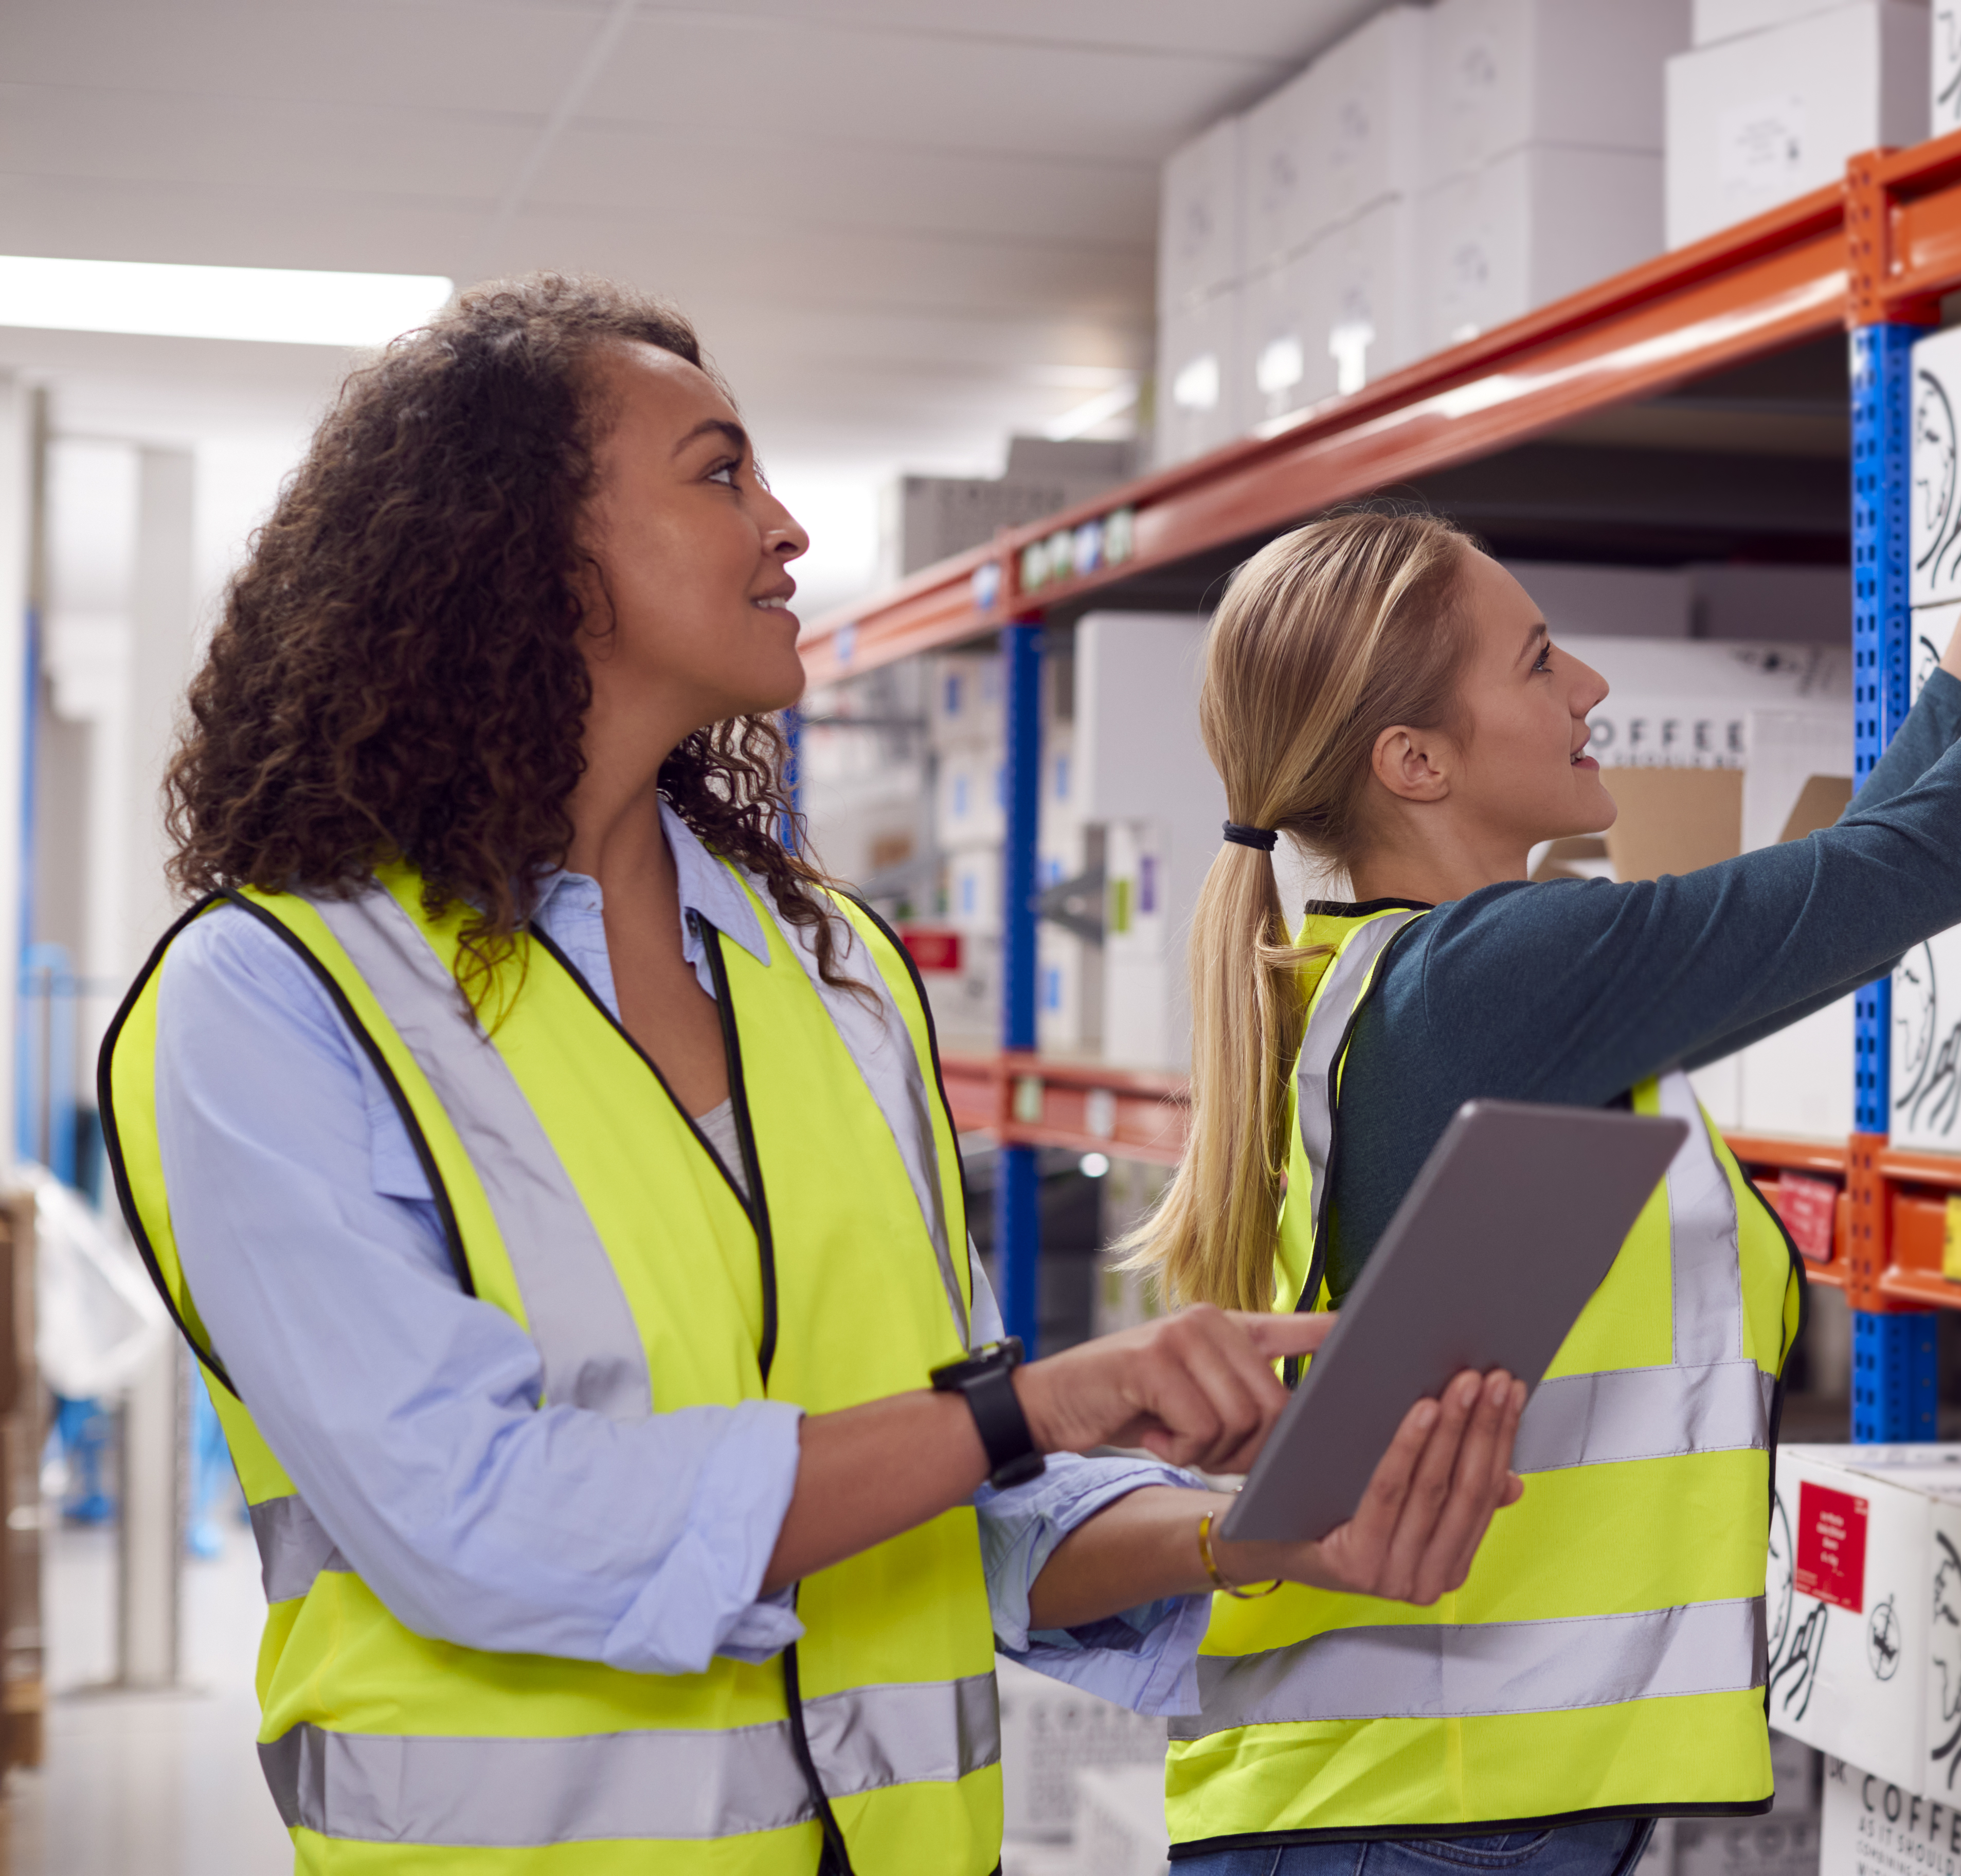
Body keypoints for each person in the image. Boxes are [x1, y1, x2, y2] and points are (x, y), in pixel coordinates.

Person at [98, 275, 1527, 1875]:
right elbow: (478, 1522)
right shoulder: (281, 1000)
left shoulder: (833, 974)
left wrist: (1248, 1537)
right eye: (720, 475)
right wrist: (1026, 1404)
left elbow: (954, 1517)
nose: (784, 528)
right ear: (520, 551)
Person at [1124, 396, 1961, 1872]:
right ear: (1415, 762)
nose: (1592, 686)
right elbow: (1899, 878)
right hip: (1423, 1819)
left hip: (1417, 1798)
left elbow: (1845, 903)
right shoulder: (1497, 979)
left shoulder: (1414, 984)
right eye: (1542, 662)